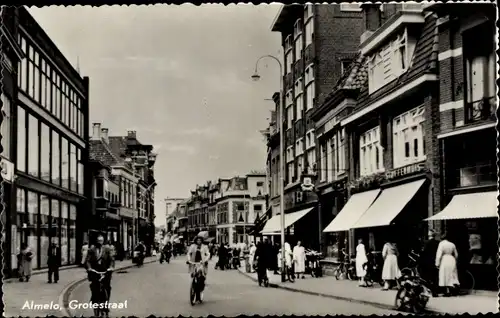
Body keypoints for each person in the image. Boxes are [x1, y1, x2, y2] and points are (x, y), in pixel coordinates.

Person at [86, 234, 115, 307]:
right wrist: (89, 268)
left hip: (105, 270)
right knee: (94, 286)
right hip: (95, 271)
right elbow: (88, 260)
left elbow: (111, 259)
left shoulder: (107, 249)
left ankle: (106, 303)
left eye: (101, 240)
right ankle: (94, 299)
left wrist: (111, 267)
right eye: (98, 240)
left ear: (103, 241)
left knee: (107, 287)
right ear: (96, 241)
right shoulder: (92, 249)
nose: (100, 242)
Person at [420, 230, 440, 296]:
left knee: (427, 277)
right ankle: (435, 292)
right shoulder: (437, 243)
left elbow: (423, 252)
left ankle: (428, 290)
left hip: (427, 262)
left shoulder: (426, 242)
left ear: (429, 235)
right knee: (435, 277)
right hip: (435, 261)